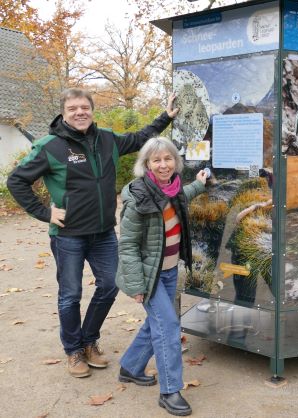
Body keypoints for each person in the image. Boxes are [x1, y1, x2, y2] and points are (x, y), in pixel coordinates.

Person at [7, 88, 179, 378]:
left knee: (111, 285)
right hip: (68, 235)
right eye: (73, 108)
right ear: (64, 112)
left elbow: (140, 138)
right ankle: (73, 350)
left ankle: (88, 340)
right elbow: (17, 181)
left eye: (84, 107)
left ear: (92, 110)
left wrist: (166, 116)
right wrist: (45, 212)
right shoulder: (50, 146)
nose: (79, 112)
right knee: (70, 294)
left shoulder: (107, 139)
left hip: (103, 233)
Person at [115, 137, 208, 416]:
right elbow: (128, 244)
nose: (163, 164)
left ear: (175, 162)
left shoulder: (173, 189)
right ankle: (170, 391)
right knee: (167, 327)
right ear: (146, 165)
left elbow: (182, 196)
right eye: (156, 160)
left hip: (168, 271)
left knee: (155, 323)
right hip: (149, 276)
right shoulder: (138, 196)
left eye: (168, 159)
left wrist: (200, 184)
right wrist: (136, 285)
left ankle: (130, 367)